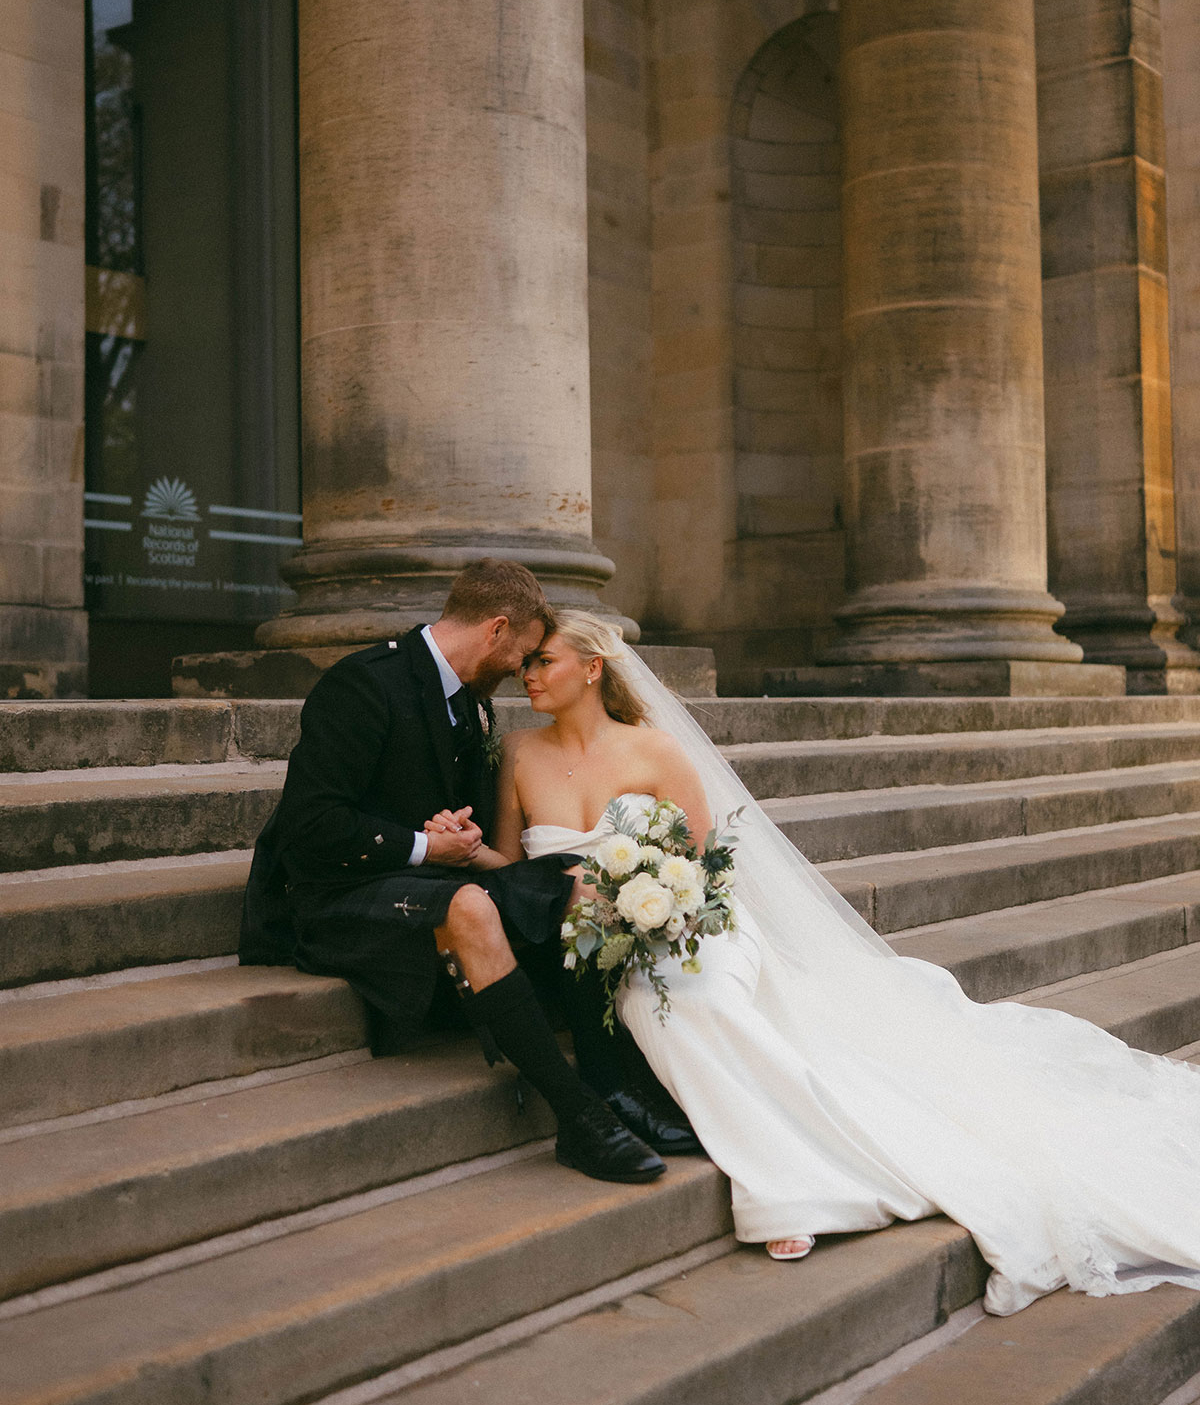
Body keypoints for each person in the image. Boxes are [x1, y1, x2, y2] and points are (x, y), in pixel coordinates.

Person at [443, 609, 1200, 1318]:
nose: (525, 675)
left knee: (698, 1000)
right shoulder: (519, 753)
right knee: (649, 1001)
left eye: (542, 661)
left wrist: (660, 906)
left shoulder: (655, 751)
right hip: (590, 941)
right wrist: (460, 849)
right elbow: (516, 866)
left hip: (688, 928)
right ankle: (793, 1172)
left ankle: (797, 1182)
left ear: (594, 666)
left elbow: (708, 863)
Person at [239, 560, 669, 1185]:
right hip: (335, 894)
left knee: (582, 883)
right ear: (496, 630)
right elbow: (311, 828)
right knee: (470, 905)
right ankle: (579, 1118)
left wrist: (456, 835)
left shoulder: (469, 703)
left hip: (424, 879)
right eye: (523, 654)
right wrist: (420, 846)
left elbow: (445, 811)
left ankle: (614, 1082)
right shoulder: (363, 684)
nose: (523, 671)